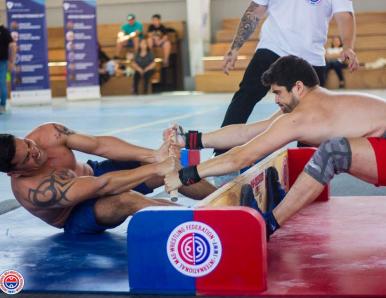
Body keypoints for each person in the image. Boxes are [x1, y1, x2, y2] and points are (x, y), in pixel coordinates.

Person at [163, 55, 386, 239]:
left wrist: (185, 176)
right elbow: (246, 132)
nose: (276, 100)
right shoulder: (308, 104)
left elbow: (240, 158)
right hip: (379, 144)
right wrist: (189, 140)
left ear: (298, 87)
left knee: (332, 152)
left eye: (278, 92)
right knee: (333, 150)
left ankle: (267, 224)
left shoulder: (303, 116)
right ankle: (276, 213)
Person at [0, 123, 216, 235]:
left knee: (169, 170)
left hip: (94, 173)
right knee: (126, 199)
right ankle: (202, 222)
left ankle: (228, 201)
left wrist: (153, 157)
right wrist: (156, 167)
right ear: (14, 173)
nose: (33, 150)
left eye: (27, 143)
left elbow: (101, 145)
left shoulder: (48, 134)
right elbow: (101, 186)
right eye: (27, 157)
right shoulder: (36, 190)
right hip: (75, 214)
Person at [215, 0, 359, 158]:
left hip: (311, 57)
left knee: (311, 114)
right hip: (273, 46)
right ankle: (222, 153)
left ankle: (305, 162)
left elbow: (345, 16)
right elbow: (254, 12)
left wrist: (348, 47)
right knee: (246, 95)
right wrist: (234, 48)